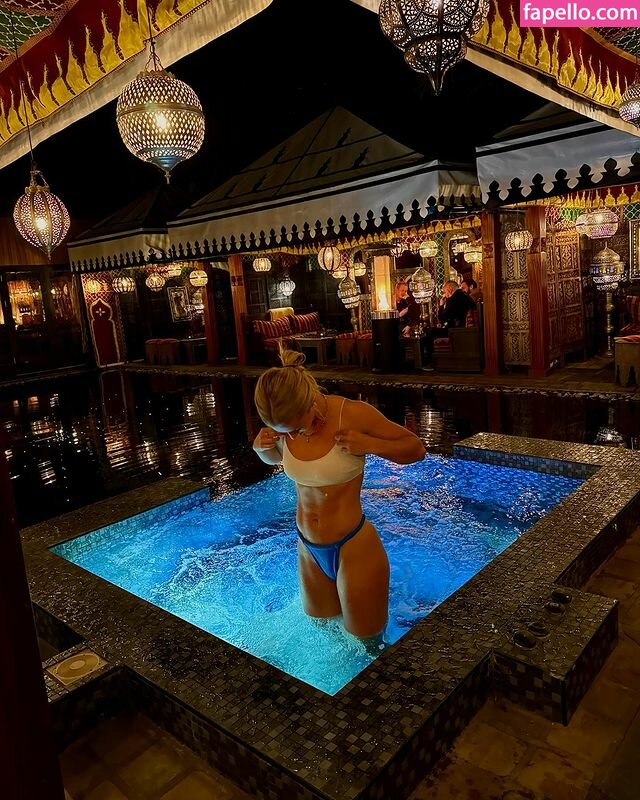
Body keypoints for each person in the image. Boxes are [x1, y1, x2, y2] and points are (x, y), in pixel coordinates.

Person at [253, 349, 425, 640]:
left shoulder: (352, 414)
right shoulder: (285, 421)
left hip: (353, 547)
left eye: (297, 427)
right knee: (325, 636)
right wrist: (262, 449)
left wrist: (368, 444)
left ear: (309, 401)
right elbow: (281, 459)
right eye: (284, 431)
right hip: (308, 549)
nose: (293, 435)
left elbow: (416, 448)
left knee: (367, 643)